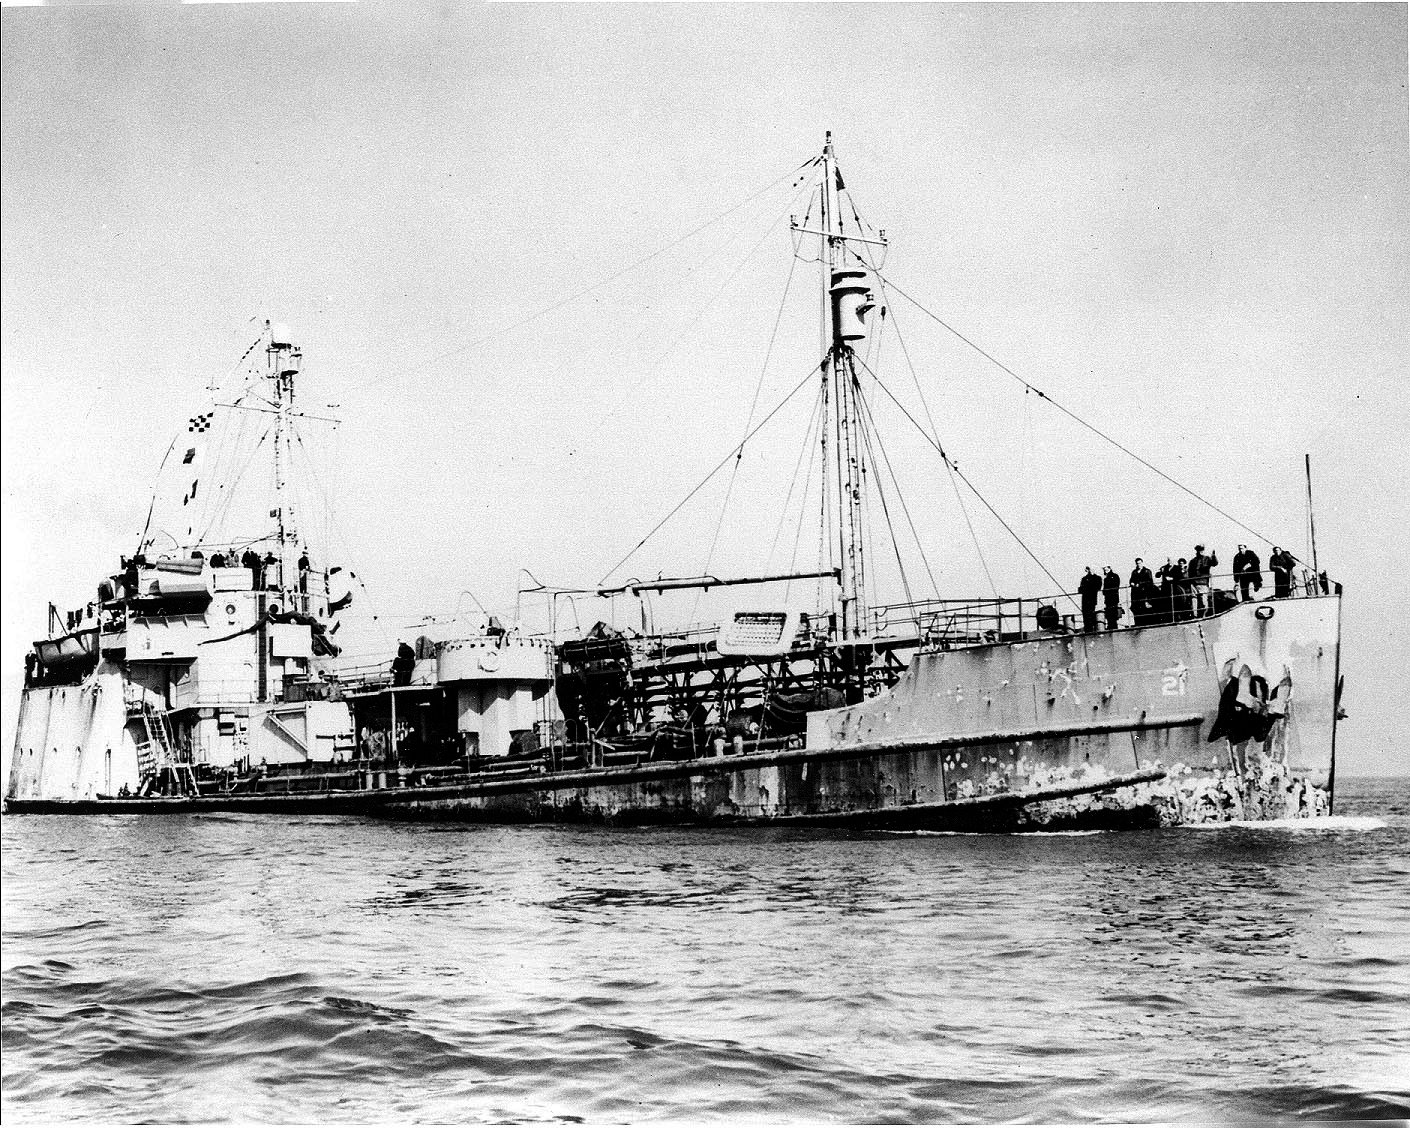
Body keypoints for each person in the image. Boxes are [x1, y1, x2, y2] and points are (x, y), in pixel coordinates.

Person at [1188, 544, 1218, 616]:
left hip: (1203, 583)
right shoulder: (1192, 561)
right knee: (1194, 600)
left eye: (1202, 550)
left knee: (1204, 602)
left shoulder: (1207, 559)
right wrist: (1191, 583)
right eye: (1199, 550)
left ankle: (1203, 615)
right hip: (1194, 584)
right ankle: (1195, 616)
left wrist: (1213, 556)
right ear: (1196, 551)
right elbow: (1189, 573)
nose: (1200, 551)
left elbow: (1214, 563)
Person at [1129, 558, 1155, 626]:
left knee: (1145, 609)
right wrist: (1132, 583)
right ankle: (1138, 624)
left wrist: (1140, 584)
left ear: (1142, 563)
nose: (1138, 565)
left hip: (1144, 594)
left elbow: (1150, 582)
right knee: (1136, 609)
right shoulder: (1134, 572)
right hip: (1136, 594)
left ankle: (1145, 624)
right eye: (1137, 563)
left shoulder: (1147, 571)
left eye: (1140, 563)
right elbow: (1131, 580)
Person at [1078, 567, 1102, 633]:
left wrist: (1087, 588)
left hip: (1092, 600)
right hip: (1085, 600)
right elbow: (1080, 589)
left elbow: (1098, 587)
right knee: (1085, 616)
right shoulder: (1084, 578)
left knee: (1091, 615)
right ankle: (1088, 630)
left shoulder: (1097, 578)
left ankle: (1091, 630)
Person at [1102, 566, 1121, 630]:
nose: (1105, 570)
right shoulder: (1106, 578)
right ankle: (1111, 626)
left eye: (1106, 569)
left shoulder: (1114, 576)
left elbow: (1116, 587)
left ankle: (1113, 627)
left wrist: (1107, 591)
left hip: (1113, 598)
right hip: (1108, 598)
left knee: (1113, 613)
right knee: (1109, 614)